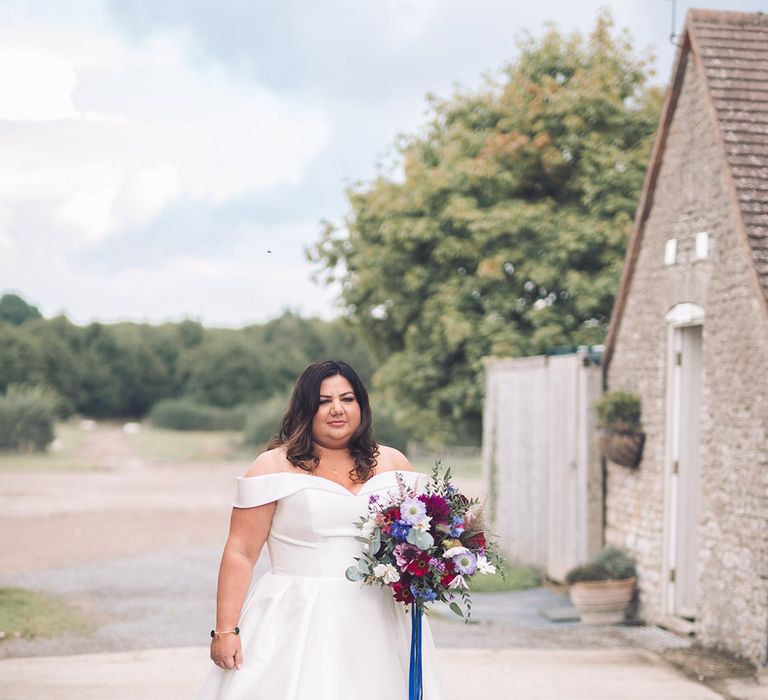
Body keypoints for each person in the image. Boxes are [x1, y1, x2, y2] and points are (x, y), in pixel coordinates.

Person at [196, 359, 443, 700]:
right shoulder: (272, 466)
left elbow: (427, 536)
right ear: (305, 408)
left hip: (380, 619)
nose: (337, 410)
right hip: (298, 616)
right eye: (324, 401)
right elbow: (240, 551)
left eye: (347, 398)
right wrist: (225, 629)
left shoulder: (393, 463)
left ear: (362, 405)